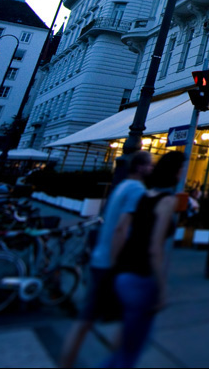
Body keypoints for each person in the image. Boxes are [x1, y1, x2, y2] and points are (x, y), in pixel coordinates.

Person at [58, 150, 153, 368]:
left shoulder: (120, 187)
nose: (152, 168)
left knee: (87, 319)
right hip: (113, 263)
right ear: (139, 167)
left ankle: (67, 362)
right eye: (149, 165)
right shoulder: (137, 190)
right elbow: (121, 229)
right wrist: (117, 265)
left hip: (100, 258)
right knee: (128, 319)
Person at [103, 151, 186, 369]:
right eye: (180, 170)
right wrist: (162, 287)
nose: (181, 174)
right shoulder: (167, 201)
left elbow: (121, 229)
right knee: (130, 353)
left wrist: (113, 267)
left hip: (124, 273)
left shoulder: (143, 195)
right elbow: (155, 249)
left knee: (125, 344)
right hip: (142, 277)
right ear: (174, 173)